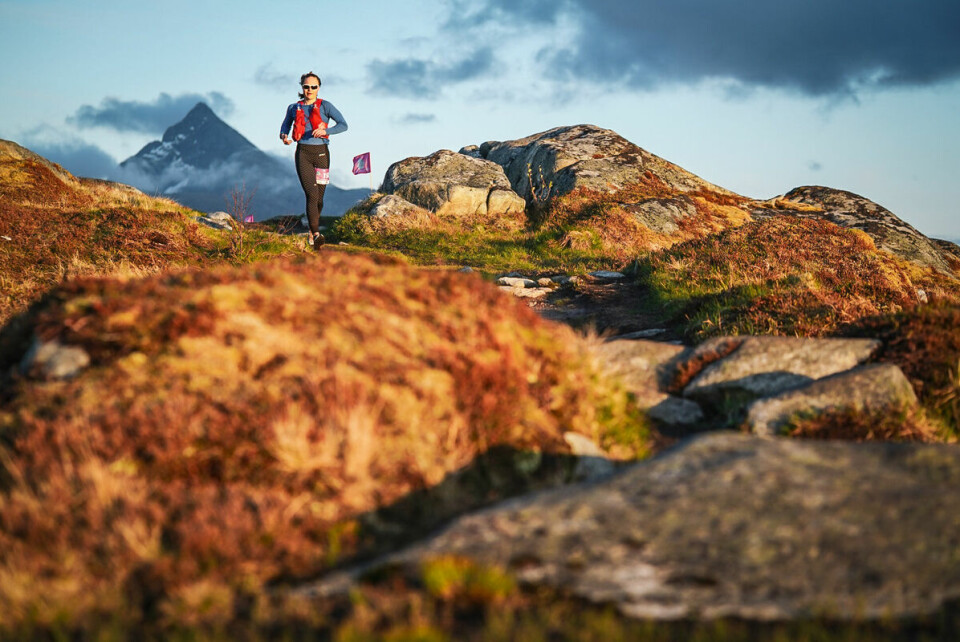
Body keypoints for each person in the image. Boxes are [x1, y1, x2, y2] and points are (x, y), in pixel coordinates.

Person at [280, 71, 348, 251]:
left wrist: (326, 131)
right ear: (301, 88)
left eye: (313, 87)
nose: (309, 90)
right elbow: (286, 124)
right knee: (311, 194)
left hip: (322, 155)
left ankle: (311, 230)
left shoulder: (326, 106)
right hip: (303, 153)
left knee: (319, 198)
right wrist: (284, 136)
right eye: (306, 87)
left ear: (319, 88)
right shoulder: (293, 108)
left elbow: (343, 125)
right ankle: (316, 234)